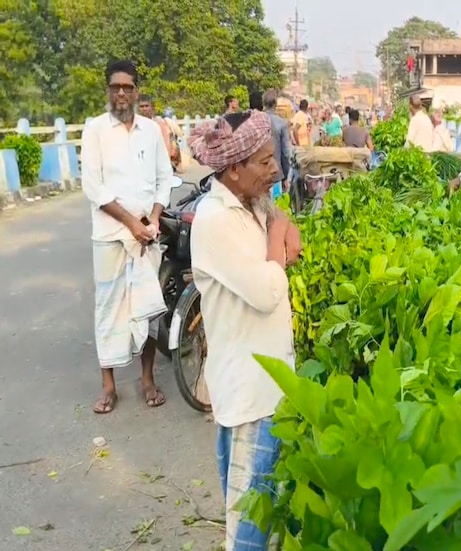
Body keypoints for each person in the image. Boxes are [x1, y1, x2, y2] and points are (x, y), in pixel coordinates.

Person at [188, 110, 300, 551]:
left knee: (261, 517)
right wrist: (278, 234)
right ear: (233, 168)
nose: (276, 170)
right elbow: (268, 291)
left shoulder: (250, 203)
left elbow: (284, 229)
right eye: (265, 162)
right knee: (250, 531)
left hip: (267, 387)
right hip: (251, 395)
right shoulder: (216, 220)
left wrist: (282, 227)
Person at [81, 59, 174, 414]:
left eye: (128, 87)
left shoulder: (150, 131)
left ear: (136, 91)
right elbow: (94, 186)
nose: (121, 93)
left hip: (146, 236)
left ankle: (147, 379)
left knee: (146, 309)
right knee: (108, 309)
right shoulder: (95, 130)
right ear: (108, 90)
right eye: (115, 87)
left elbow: (163, 179)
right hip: (110, 235)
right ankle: (109, 386)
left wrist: (153, 218)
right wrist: (130, 222)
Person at [137, 94, 181, 169]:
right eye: (141, 106)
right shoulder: (134, 124)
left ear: (152, 107)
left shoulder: (159, 123)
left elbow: (166, 145)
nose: (144, 109)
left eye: (147, 106)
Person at [263, 89, 292, 198]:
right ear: (275, 104)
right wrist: (285, 176)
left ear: (264, 103)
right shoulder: (281, 123)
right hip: (276, 175)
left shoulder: (255, 121)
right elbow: (286, 153)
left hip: (257, 177)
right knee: (276, 205)